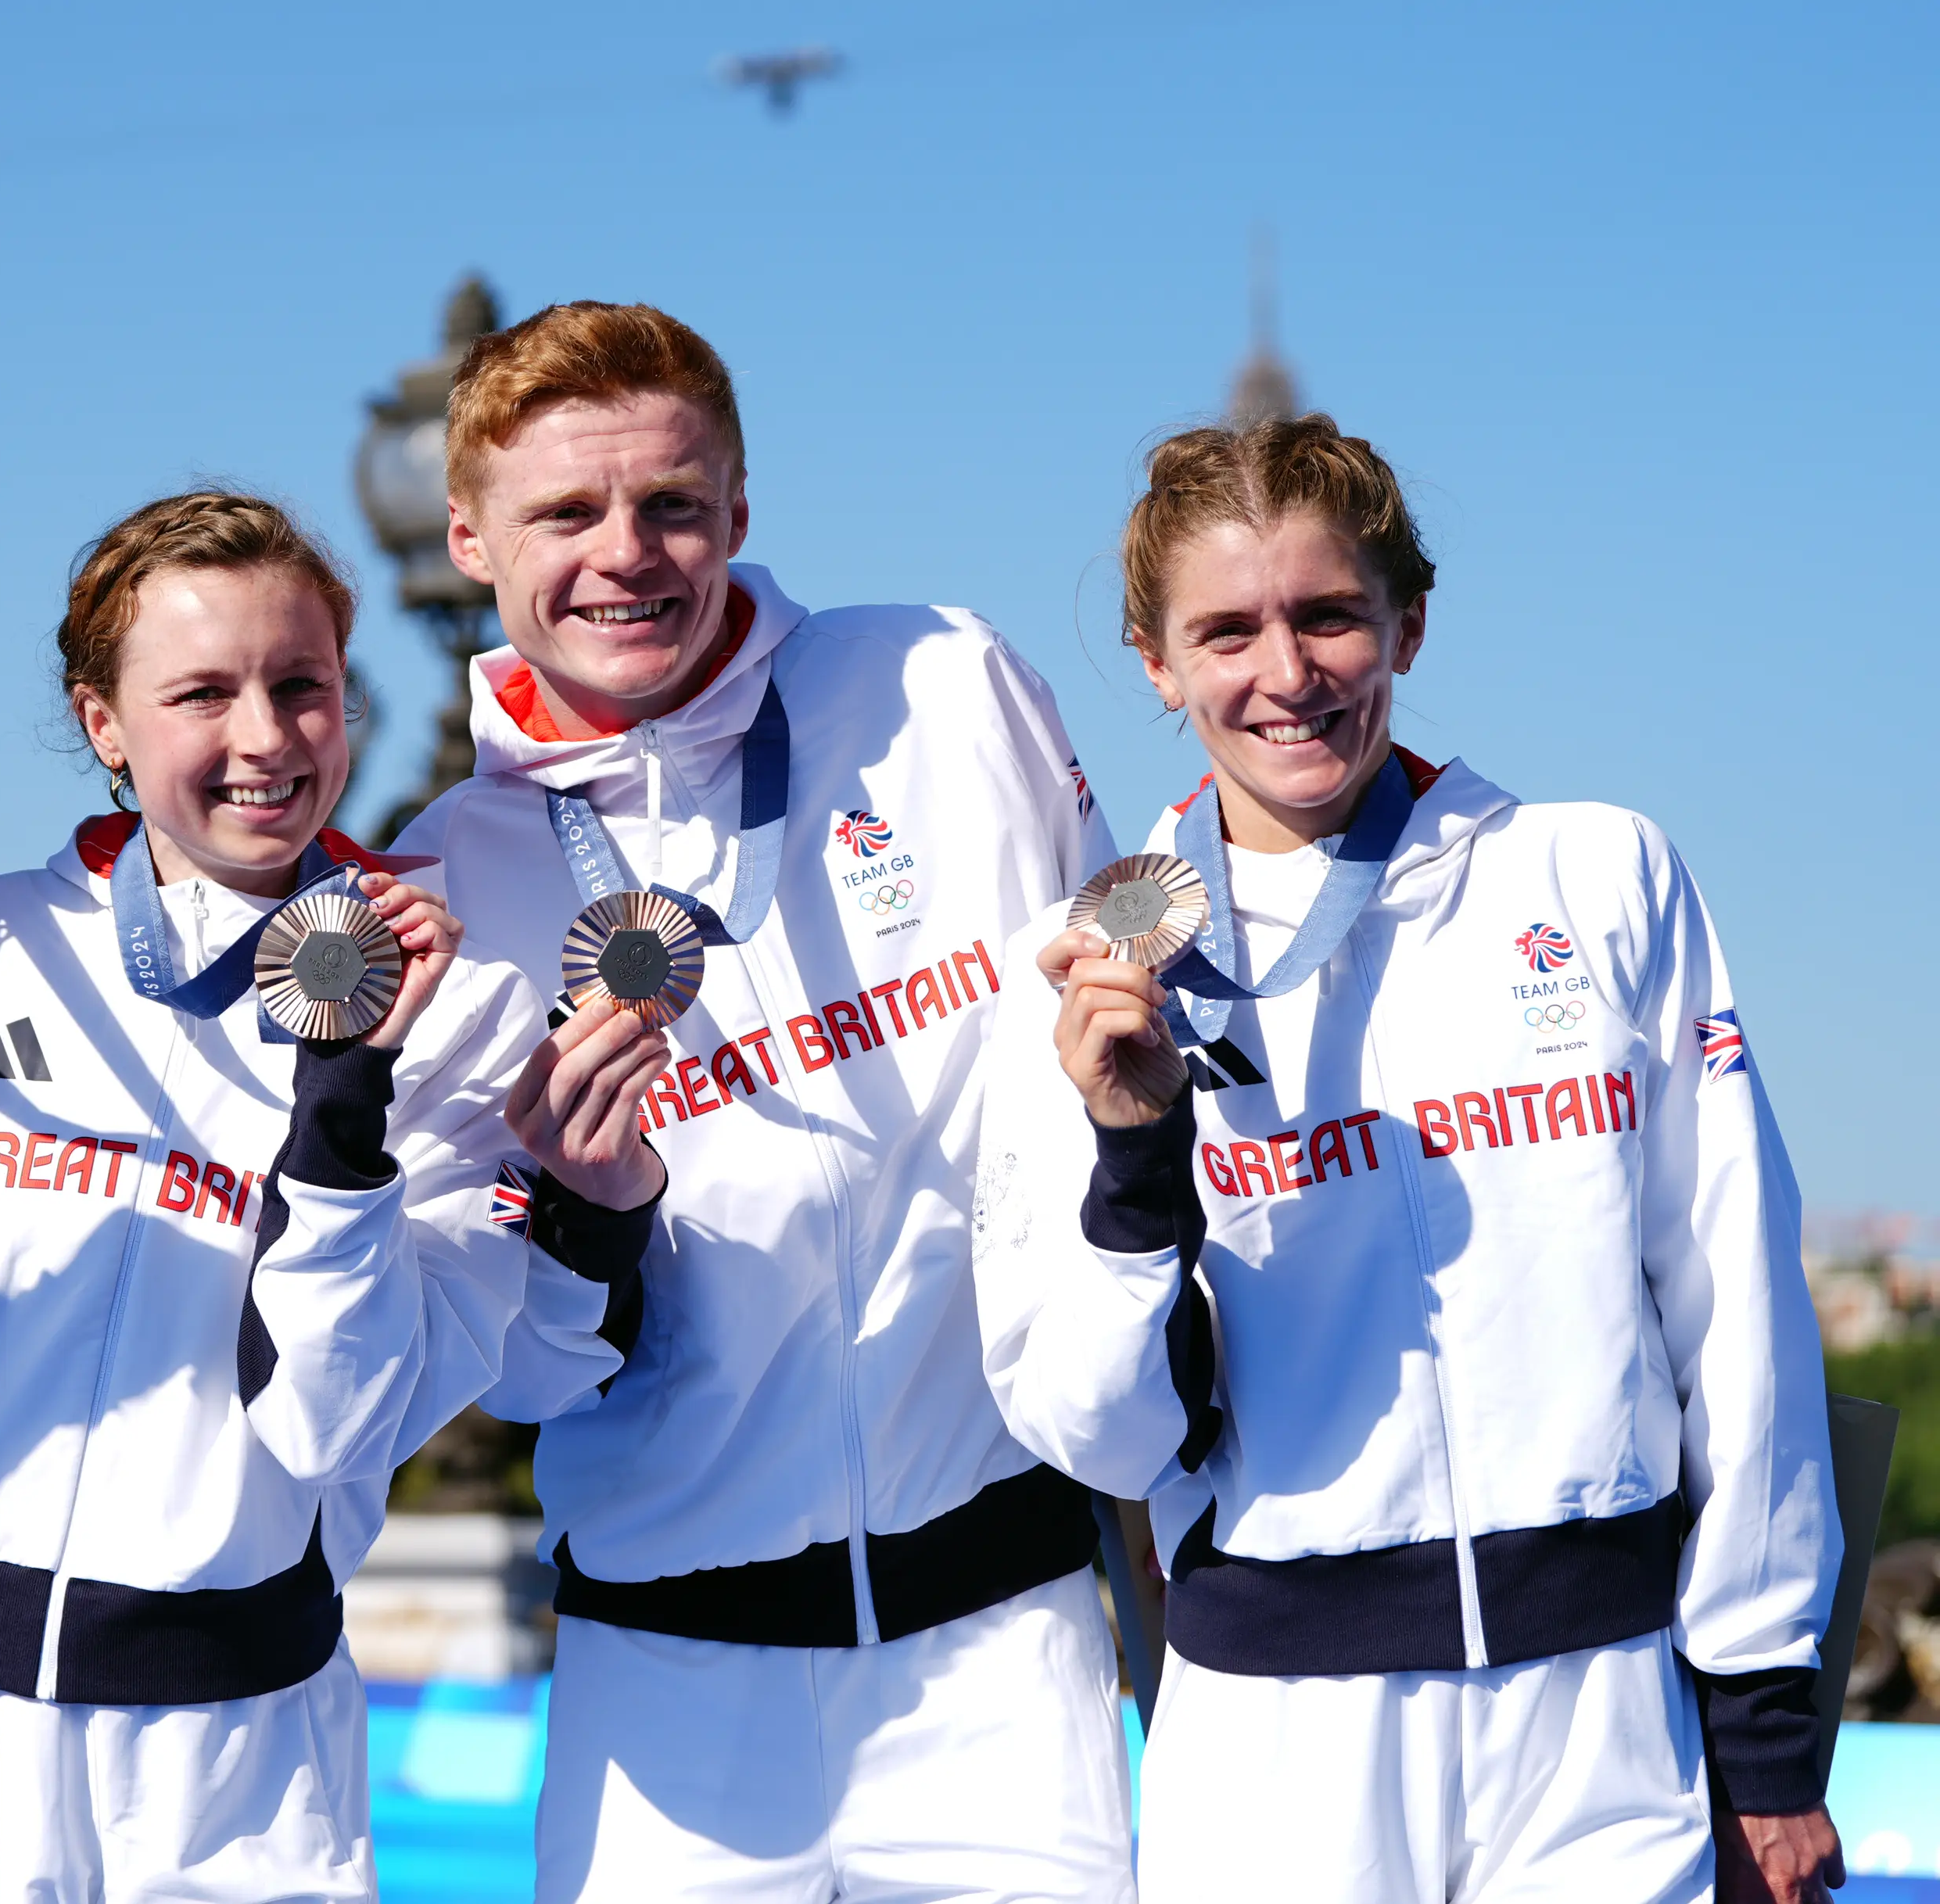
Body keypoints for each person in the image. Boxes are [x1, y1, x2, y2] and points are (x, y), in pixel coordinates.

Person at [970, 415, 1843, 1903]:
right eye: (1227, 630)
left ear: (1409, 624)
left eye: (1329, 615)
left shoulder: (1596, 872)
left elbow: (1735, 1304)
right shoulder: (1090, 961)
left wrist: (1763, 1726)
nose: (1286, 672)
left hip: (1600, 1719)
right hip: (1274, 1745)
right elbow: (1103, 1437)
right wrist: (1136, 1157)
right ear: (1155, 662)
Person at [395, 301, 1139, 1901]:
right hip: (669, 1686)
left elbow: (1117, 1089)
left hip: (1004, 1648)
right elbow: (517, 1373)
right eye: (565, 514)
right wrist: (591, 1222)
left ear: (739, 505)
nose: (628, 554)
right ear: (470, 536)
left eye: (671, 502)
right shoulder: (449, 880)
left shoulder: (943, 680)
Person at [0, 489, 652, 1899]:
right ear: (104, 721)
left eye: (304, 686)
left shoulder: (460, 1012)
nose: (266, 739)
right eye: (203, 692)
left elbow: (343, 1413)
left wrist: (344, 1095)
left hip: (239, 1753)